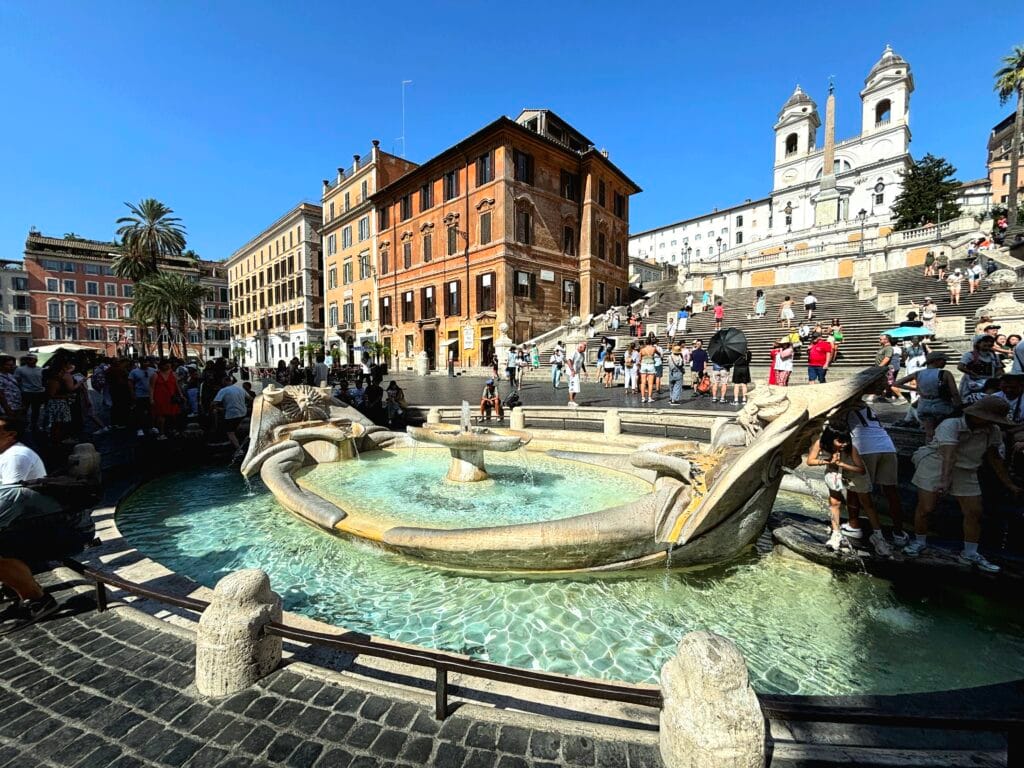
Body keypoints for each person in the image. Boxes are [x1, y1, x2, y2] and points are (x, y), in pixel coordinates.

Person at [904, 397, 1020, 572]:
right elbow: (948, 456)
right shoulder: (951, 425)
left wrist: (1009, 484)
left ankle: (970, 552)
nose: (991, 423)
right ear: (976, 415)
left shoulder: (992, 430)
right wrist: (944, 480)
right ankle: (919, 542)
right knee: (926, 508)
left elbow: (994, 458)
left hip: (967, 469)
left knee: (974, 511)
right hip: (936, 464)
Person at [0, 417, 61, 634]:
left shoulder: (16, 456)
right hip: (23, 520)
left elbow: (11, 498)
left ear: (11, 435)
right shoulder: (5, 455)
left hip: (39, 525)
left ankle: (39, 600)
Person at [806, 426, 891, 555]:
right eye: (840, 441)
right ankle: (836, 534)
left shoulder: (851, 449)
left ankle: (878, 536)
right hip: (834, 469)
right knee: (834, 502)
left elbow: (861, 470)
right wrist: (826, 461)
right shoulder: (821, 443)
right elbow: (810, 461)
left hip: (854, 472)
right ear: (830, 439)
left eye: (846, 441)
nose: (844, 444)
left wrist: (842, 465)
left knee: (867, 503)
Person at [841, 402, 908, 547]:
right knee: (891, 491)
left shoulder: (844, 407)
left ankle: (854, 526)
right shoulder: (867, 407)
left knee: (854, 487)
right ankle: (899, 533)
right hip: (887, 446)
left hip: (863, 447)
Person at [895, 352, 960, 443]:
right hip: (941, 406)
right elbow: (955, 393)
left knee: (929, 433)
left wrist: (916, 389)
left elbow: (897, 383)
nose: (945, 363)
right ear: (936, 361)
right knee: (942, 431)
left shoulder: (918, 373)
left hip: (924, 406)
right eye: (943, 360)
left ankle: (927, 449)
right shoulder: (945, 374)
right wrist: (958, 406)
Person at [958, 334, 1001, 405]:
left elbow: (999, 369)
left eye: (990, 342)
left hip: (989, 384)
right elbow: (960, 366)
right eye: (985, 341)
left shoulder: (994, 356)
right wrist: (972, 373)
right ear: (978, 343)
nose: (988, 343)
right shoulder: (970, 355)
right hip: (972, 384)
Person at [212, 376, 248, 452]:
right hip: (243, 412)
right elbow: (250, 398)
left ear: (224, 381)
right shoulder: (240, 388)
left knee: (230, 432)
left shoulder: (223, 390)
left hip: (232, 413)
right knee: (237, 429)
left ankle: (239, 449)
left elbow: (214, 403)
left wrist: (219, 408)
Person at [150, 359, 184, 441]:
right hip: (159, 398)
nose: (168, 366)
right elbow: (151, 388)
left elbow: (177, 386)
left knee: (173, 415)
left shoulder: (173, 374)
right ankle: (161, 433)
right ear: (161, 365)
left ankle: (172, 430)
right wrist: (151, 399)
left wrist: (181, 395)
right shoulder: (155, 375)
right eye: (166, 364)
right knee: (161, 416)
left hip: (171, 397)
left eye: (169, 364)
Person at [14, 356, 44, 432]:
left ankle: (34, 425)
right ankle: (23, 425)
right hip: (26, 392)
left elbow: (43, 380)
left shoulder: (41, 369)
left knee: (36, 410)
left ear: (36, 360)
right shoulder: (20, 369)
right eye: (27, 359)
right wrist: (20, 389)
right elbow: (16, 380)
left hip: (38, 392)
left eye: (31, 359)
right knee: (24, 409)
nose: (29, 360)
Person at [638, 336, 658, 403]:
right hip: (651, 365)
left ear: (645, 343)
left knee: (643, 382)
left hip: (643, 365)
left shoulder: (642, 349)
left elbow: (639, 358)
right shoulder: (653, 348)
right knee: (650, 383)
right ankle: (649, 397)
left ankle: (643, 398)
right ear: (651, 342)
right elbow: (659, 354)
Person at [566, 342, 586, 408]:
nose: (585, 349)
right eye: (584, 347)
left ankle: (571, 401)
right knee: (572, 386)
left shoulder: (583, 354)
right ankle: (571, 401)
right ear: (580, 347)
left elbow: (582, 363)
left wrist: (585, 371)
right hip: (571, 372)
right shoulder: (574, 353)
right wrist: (572, 370)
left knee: (576, 387)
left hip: (577, 373)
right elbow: (568, 361)